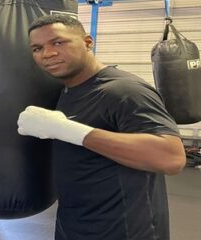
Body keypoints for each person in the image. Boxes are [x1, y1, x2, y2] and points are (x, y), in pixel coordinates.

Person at [17, 15, 186, 240]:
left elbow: (170, 158)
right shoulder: (67, 91)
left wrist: (66, 129)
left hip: (125, 231)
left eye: (58, 42)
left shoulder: (124, 90)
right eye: (37, 48)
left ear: (88, 42)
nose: (47, 54)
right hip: (75, 224)